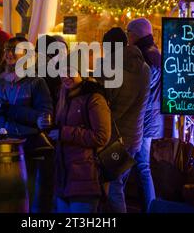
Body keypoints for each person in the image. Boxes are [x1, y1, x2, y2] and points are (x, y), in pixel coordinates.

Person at [0, 36, 53, 213]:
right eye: (6, 49)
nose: (9, 53)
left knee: (22, 198)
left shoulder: (36, 82)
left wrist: (10, 110)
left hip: (24, 148)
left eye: (14, 49)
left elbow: (44, 118)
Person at [48, 55, 111, 213]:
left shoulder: (94, 98)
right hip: (64, 176)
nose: (66, 76)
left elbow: (102, 136)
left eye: (71, 71)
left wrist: (64, 133)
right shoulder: (63, 96)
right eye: (63, 71)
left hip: (85, 175)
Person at [101, 27, 151, 213]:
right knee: (118, 184)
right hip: (135, 136)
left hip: (115, 137)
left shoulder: (111, 68)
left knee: (114, 188)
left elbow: (106, 105)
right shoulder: (144, 67)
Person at [126, 18, 164, 212]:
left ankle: (149, 206)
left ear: (136, 34)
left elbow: (144, 86)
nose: (127, 37)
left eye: (129, 32)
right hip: (149, 117)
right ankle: (149, 205)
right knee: (141, 165)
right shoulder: (154, 52)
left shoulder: (147, 56)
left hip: (143, 118)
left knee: (136, 165)